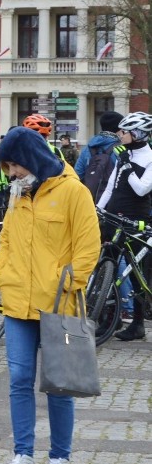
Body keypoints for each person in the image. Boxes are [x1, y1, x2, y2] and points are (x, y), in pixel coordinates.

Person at [0, 125, 99, 464]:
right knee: (20, 381)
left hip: (58, 306)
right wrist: (1, 275)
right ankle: (22, 459)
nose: (11, 174)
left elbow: (88, 249)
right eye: (6, 168)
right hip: (17, 304)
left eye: (13, 166)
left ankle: (59, 460)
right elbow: (6, 239)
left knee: (59, 384)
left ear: (31, 158)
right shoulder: (18, 194)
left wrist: (64, 283)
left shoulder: (73, 192)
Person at [97, 112, 152, 342]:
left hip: (135, 221)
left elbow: (141, 189)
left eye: (124, 132)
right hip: (113, 218)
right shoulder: (123, 156)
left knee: (138, 273)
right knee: (105, 267)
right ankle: (108, 318)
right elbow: (110, 187)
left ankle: (138, 324)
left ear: (137, 134)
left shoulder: (149, 158)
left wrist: (128, 166)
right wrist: (97, 210)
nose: (120, 135)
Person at [75, 111, 123, 201]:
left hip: (89, 198)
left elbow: (78, 174)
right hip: (113, 200)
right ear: (119, 128)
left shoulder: (88, 148)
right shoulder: (122, 149)